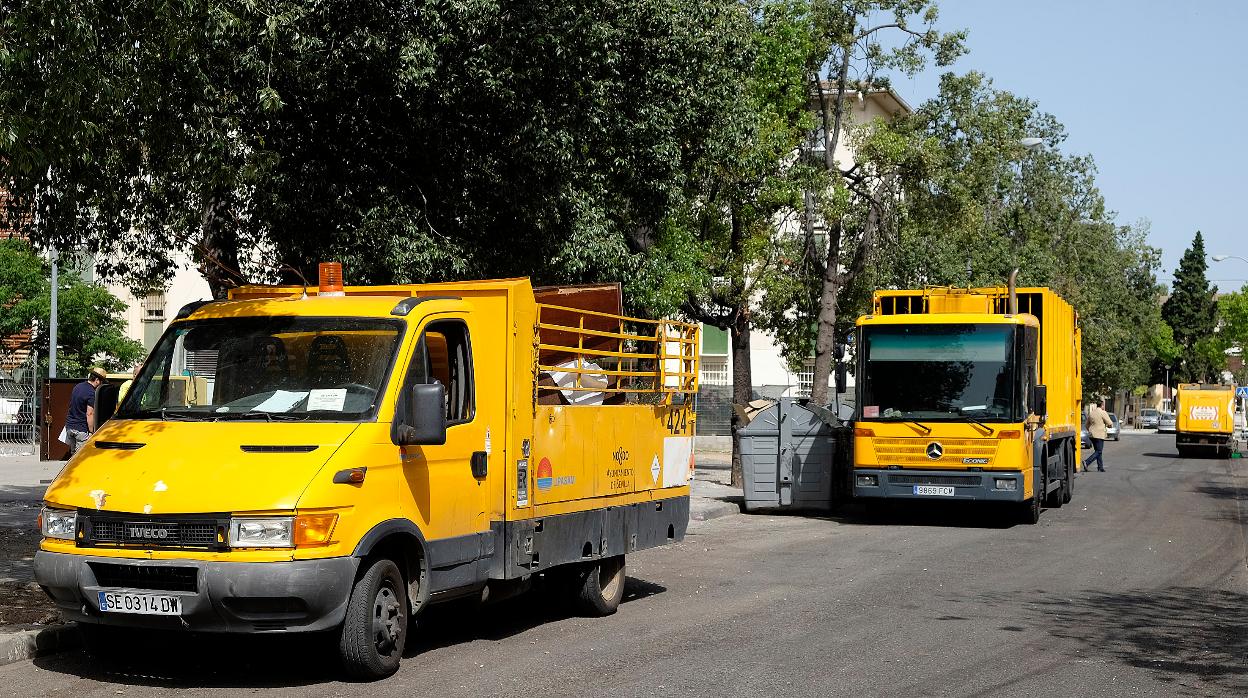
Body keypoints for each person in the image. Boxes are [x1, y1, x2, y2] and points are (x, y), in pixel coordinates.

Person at [64, 367, 107, 456]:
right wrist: (91, 431)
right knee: (81, 456)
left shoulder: (77, 386)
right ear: (97, 380)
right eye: (101, 381)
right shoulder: (91, 393)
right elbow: (89, 414)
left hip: (70, 426)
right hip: (81, 429)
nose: (101, 384)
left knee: (73, 455)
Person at [1083, 399, 1113, 472]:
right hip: (1099, 434)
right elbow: (1110, 423)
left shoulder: (1092, 413)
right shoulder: (1103, 412)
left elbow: (1087, 424)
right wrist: (1109, 426)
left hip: (1092, 435)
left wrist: (1090, 430)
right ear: (1102, 405)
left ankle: (1100, 467)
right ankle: (1087, 462)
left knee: (1098, 451)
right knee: (1099, 451)